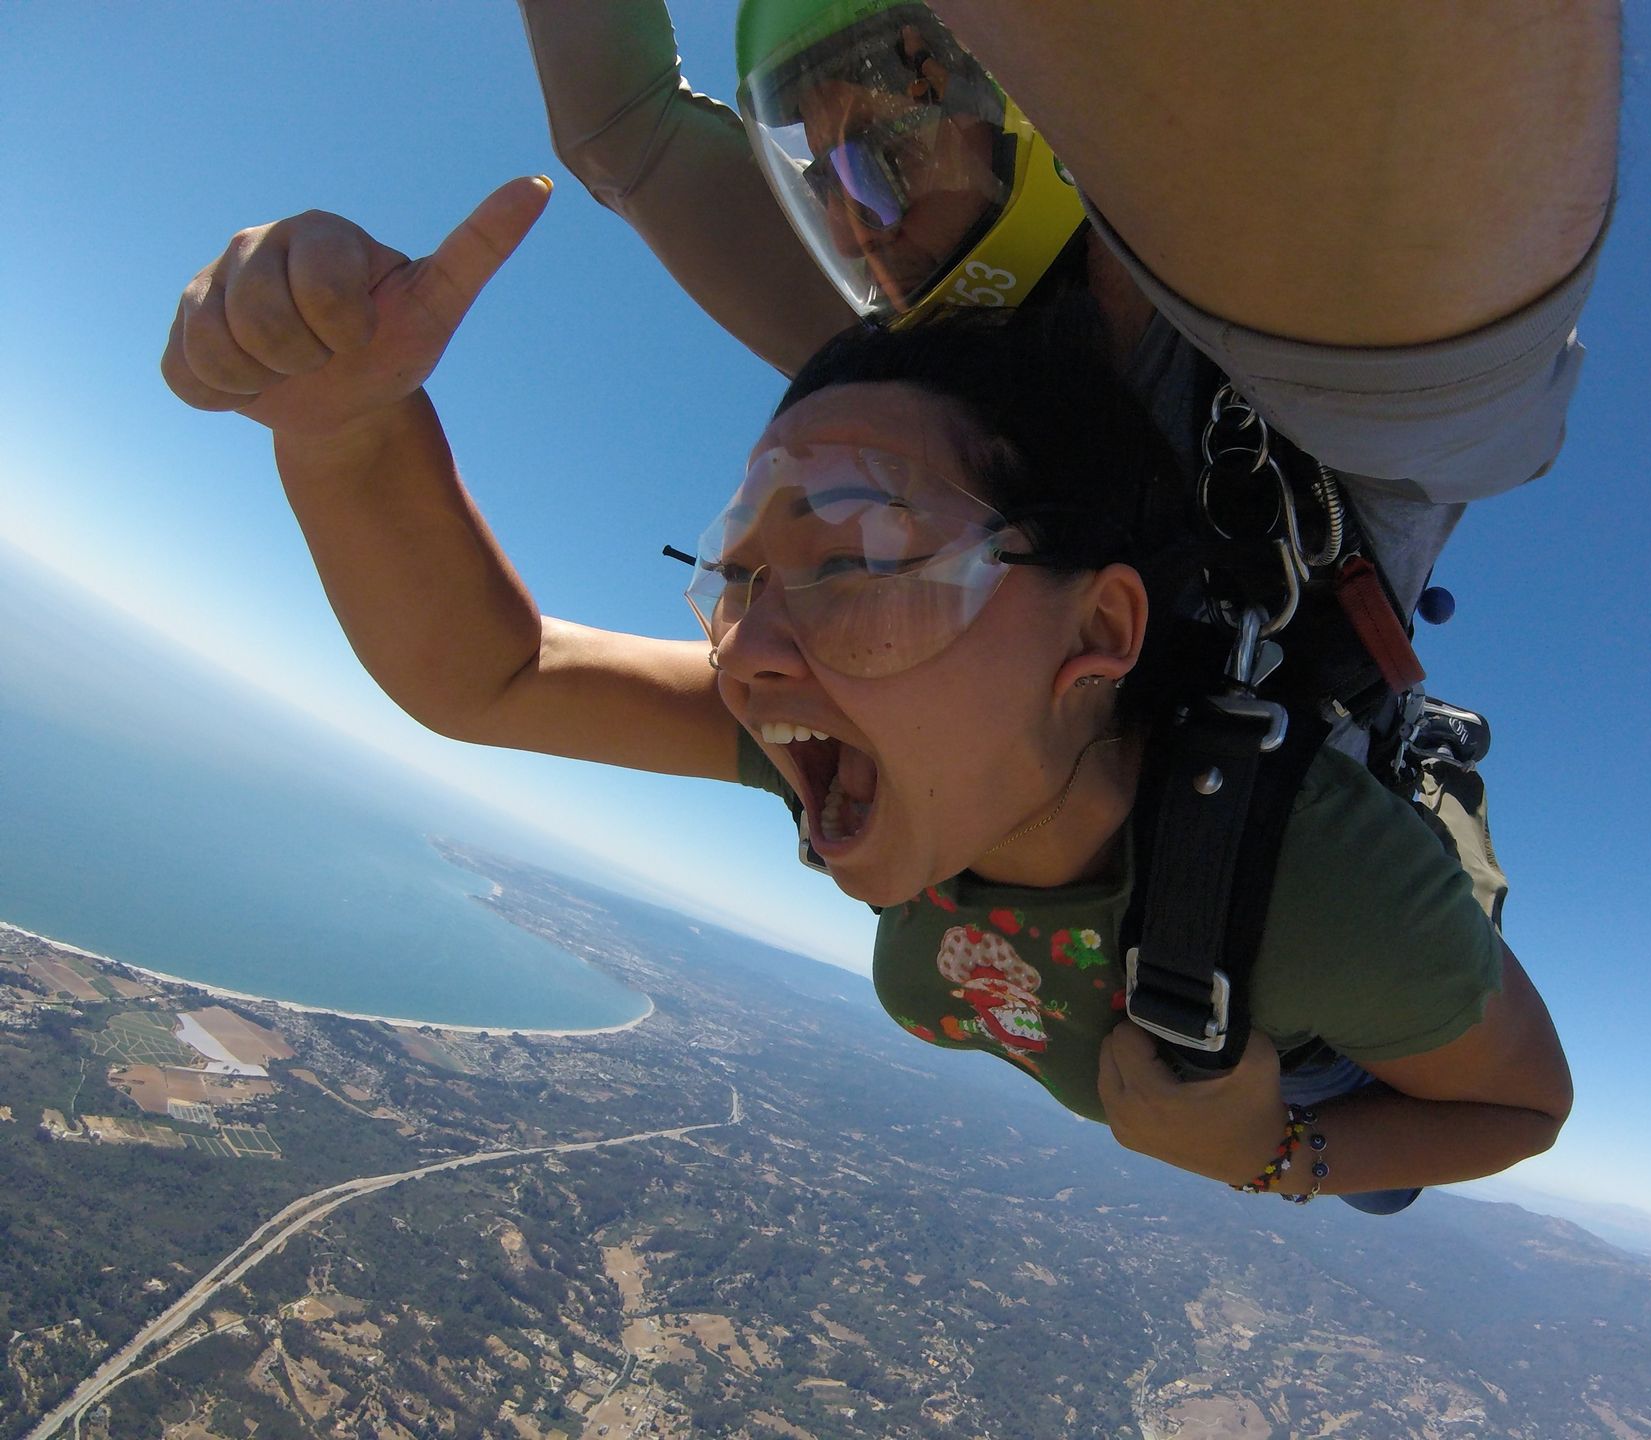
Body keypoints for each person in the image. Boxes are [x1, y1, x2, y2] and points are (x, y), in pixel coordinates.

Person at [159, 179, 1573, 1204]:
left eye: (858, 562)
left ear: (1100, 625)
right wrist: (345, 434)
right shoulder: (844, 724)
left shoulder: (1320, 885)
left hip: (1318, 1072)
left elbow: (1521, 1105)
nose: (756, 650)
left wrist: (1280, 1158)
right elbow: (498, 675)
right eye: (742, 576)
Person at [518, 0, 1618, 638]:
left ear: (1034, 109)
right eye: (818, 175)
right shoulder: (933, 375)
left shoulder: (1340, 398)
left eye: (884, 154)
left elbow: (1463, 354)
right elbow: (625, 134)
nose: (853, 230)